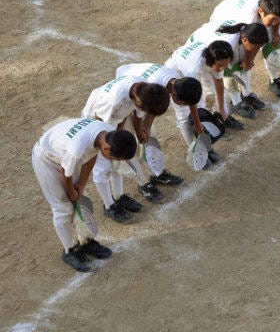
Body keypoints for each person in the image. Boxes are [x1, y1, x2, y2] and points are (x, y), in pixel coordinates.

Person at [32, 117, 137, 271]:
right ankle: (69, 251)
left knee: (81, 200)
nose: (114, 160)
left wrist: (80, 185)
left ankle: (85, 242)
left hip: (63, 153)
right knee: (63, 207)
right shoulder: (77, 150)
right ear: (107, 148)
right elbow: (65, 174)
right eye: (115, 158)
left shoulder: (107, 133)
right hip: (46, 159)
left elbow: (92, 155)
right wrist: (71, 193)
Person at [82, 77, 170, 223]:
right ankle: (109, 206)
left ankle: (119, 196)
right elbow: (98, 123)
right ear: (139, 102)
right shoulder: (113, 101)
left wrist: (135, 130)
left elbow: (130, 113)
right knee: (103, 167)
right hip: (96, 124)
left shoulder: (142, 89)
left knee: (118, 162)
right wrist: (108, 146)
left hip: (113, 120)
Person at [115, 63, 204, 187]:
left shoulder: (178, 82)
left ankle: (156, 172)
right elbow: (137, 113)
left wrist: (197, 123)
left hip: (137, 82)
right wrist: (141, 131)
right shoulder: (153, 87)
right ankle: (143, 183)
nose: (182, 106)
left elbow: (156, 107)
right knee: (130, 140)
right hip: (125, 90)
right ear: (173, 95)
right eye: (182, 104)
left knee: (150, 134)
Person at [164, 40, 234, 166]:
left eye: (224, 65)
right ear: (210, 61)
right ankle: (196, 152)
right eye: (219, 66)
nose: (221, 69)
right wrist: (197, 125)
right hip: (175, 75)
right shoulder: (192, 70)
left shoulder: (217, 57)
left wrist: (222, 108)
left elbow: (218, 82)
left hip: (188, 69)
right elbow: (191, 101)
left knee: (200, 108)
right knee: (184, 116)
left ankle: (205, 147)